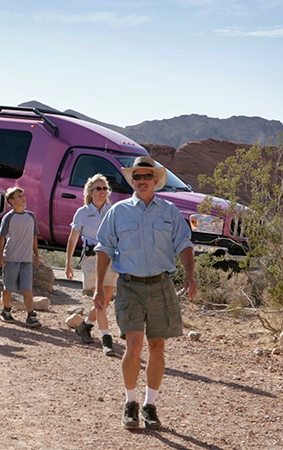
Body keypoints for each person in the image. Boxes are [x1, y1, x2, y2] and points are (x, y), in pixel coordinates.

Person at [94, 156, 196, 430]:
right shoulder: (118, 211)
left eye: (146, 177)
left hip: (161, 285)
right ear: (133, 181)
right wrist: (99, 287)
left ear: (155, 181)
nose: (141, 181)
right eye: (137, 177)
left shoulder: (170, 211)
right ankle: (131, 402)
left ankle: (150, 406)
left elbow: (184, 243)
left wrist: (190, 274)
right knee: (134, 345)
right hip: (129, 285)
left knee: (158, 346)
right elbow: (104, 248)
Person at [65, 174, 118, 356]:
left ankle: (84, 326)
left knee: (106, 299)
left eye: (105, 188)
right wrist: (68, 264)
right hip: (91, 258)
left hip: (110, 258)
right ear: (90, 192)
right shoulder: (82, 213)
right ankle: (106, 339)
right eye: (98, 188)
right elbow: (72, 239)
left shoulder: (112, 211)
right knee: (101, 300)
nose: (103, 192)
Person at [0, 187, 42, 328]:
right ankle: (5, 310)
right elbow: (1, 238)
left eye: (23, 195)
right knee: (8, 287)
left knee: (27, 288)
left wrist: (36, 254)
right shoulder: (8, 217)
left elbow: (34, 237)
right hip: (11, 258)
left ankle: (31, 314)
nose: (23, 198)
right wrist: (0, 256)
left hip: (26, 259)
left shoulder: (31, 216)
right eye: (19, 196)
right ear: (11, 201)